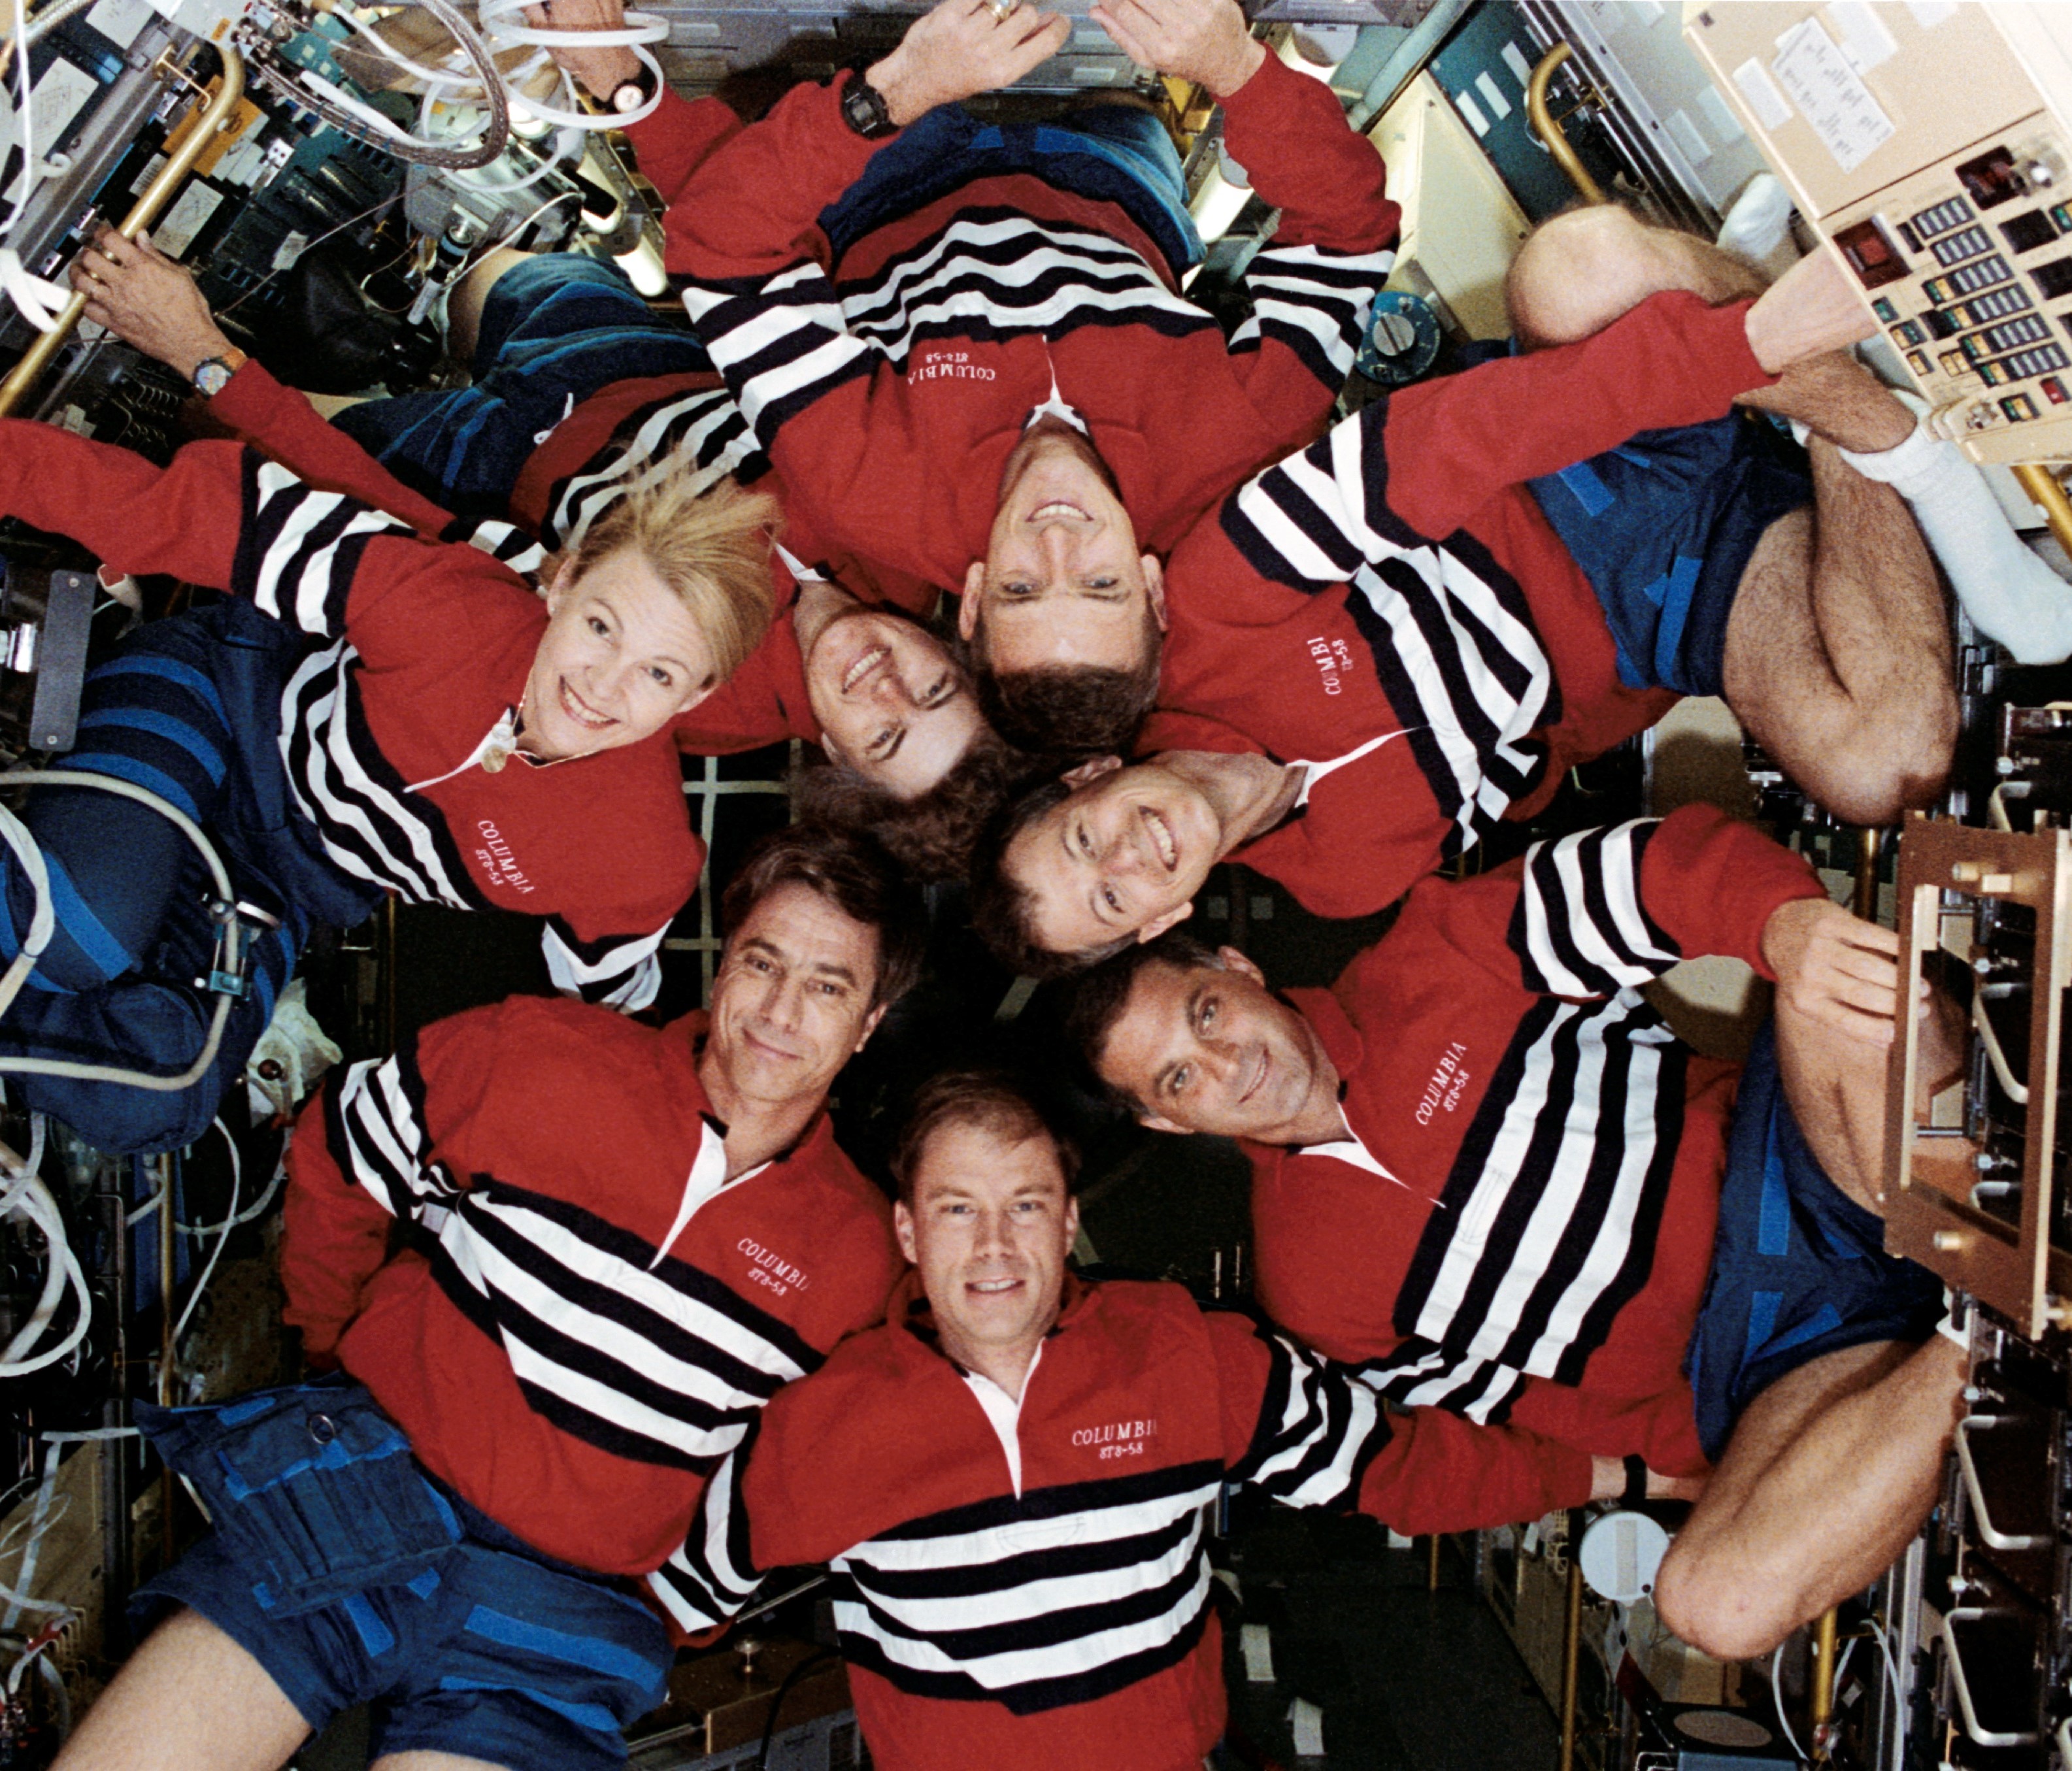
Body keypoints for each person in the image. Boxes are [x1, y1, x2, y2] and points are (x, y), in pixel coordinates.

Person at [51, 824, 925, 1771]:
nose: (780, 1009)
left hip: (553, 1620)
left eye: (827, 985)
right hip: (363, 1507)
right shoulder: (546, 1054)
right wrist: (334, 1348)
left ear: (870, 1022)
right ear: (721, 965)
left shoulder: (863, 1256)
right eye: (763, 961)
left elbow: (789, 1475)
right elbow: (344, 1142)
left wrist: (679, 1604)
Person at [1067, 803, 1965, 1657]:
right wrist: (1664, 1473)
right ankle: (1991, 1337)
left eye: (1206, 1013)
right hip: (1761, 1371)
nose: (1230, 1064)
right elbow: (1500, 1425)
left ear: (1237, 967)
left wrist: (1779, 927)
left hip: (1795, 1163)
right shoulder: (1308, 1290)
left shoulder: (1429, 955)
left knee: (1834, 998)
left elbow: (1642, 877)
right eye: (1179, 1080)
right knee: (1712, 1606)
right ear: (1168, 1124)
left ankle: (1993, 1230)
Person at [969, 231, 1958, 974]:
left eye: (1085, 836)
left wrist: (1726, 352)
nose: (1130, 855)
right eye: (1110, 898)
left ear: (1090, 774)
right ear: (1157, 923)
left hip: (1573, 455)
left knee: (1578, 263)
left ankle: (1818, 384)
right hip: (1675, 607)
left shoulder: (1201, 608)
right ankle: (1842, 412)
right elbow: (1541, 756)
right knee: (1879, 767)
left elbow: (1458, 437)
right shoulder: (1345, 879)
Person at [643, 1068, 1691, 1768]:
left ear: (1070, 1219)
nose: (995, 1245)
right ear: (910, 1232)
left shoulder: (1184, 1358)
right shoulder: (824, 1427)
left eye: (1026, 1202)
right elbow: (670, 1590)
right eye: (959, 1207)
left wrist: (1630, 1477)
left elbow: (1402, 1468)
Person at [72, 221, 1020, 873]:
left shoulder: (704, 692)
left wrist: (202, 352)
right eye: (935, 687)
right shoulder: (906, 535)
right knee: (500, 268)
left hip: (483, 476)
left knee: (229, 432)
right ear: (958, 647)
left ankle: (361, 382)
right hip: (628, 362)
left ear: (842, 767)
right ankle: (413, 346)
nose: (886, 686)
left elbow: (413, 533)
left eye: (888, 735)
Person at [635, 0, 1399, 754]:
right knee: (1129, 102)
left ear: (970, 599)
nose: (1056, 539)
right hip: (1117, 172)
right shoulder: (1238, 453)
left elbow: (723, 253)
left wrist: (894, 94)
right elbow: (1348, 240)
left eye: (1020, 589)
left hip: (888, 181)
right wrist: (1232, 68)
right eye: (1101, 585)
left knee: (795, 71)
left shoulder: (872, 495)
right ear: (1152, 587)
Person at [0, 416, 775, 1152]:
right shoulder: (446, 602)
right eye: (601, 626)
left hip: (277, 882)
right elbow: (194, 512)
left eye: (659, 672)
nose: (603, 685)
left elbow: (607, 1026)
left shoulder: (638, 857)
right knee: (78, 929)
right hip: (222, 715)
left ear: (697, 697)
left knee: (158, 1091)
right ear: (562, 584)